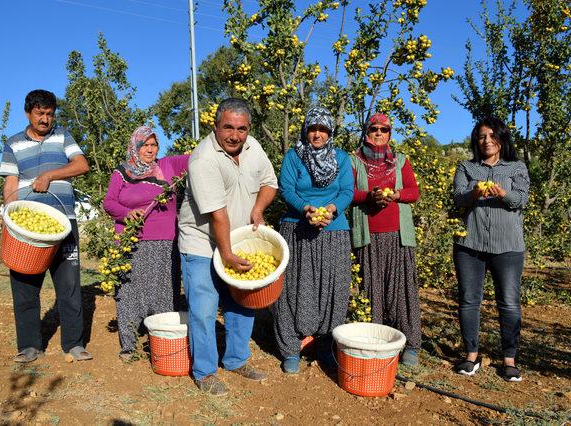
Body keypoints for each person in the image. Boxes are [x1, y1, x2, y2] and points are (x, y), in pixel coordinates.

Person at [178, 98, 278, 396]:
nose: (235, 135)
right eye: (228, 128)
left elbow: (269, 183)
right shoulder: (203, 159)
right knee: (204, 308)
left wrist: (258, 210)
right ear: (216, 125)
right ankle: (205, 372)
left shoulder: (253, 147)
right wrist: (227, 255)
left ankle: (236, 359)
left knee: (242, 303)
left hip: (237, 240)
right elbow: (217, 215)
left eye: (242, 129)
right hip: (202, 243)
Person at [0, 89, 92, 363]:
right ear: (28, 113)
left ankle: (74, 344)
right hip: (28, 227)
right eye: (40, 114)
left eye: (49, 114)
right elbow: (11, 184)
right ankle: (29, 346)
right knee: (24, 284)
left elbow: (81, 164)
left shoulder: (63, 137)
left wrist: (50, 174)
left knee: (69, 284)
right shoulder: (13, 143)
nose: (45, 120)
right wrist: (9, 218)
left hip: (64, 222)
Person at [273, 107, 353, 374]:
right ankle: (290, 349)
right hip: (298, 228)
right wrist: (306, 209)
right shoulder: (293, 157)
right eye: (312, 128)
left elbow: (346, 191)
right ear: (305, 130)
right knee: (293, 289)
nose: (317, 134)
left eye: (323, 129)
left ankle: (325, 347)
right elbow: (287, 189)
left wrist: (330, 209)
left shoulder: (341, 158)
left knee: (333, 290)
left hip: (334, 230)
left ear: (330, 132)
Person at [452, 116, 530, 382]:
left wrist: (502, 194)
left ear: (501, 138)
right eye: (481, 137)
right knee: (469, 300)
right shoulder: (466, 167)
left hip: (507, 246)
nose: (486, 141)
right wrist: (474, 194)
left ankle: (509, 359)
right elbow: (458, 197)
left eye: (491, 135)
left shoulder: (516, 167)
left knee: (508, 303)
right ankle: (471, 355)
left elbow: (521, 199)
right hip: (469, 244)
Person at [103, 126, 189, 361]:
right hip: (131, 241)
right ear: (135, 147)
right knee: (130, 291)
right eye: (145, 146)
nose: (150, 150)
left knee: (163, 291)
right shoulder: (121, 172)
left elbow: (199, 157)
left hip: (164, 241)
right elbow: (109, 202)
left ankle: (160, 342)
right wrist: (126, 213)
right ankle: (129, 345)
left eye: (154, 145)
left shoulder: (168, 166)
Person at [349, 112, 421, 366]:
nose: (379, 133)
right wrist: (370, 197)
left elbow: (414, 192)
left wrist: (397, 194)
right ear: (366, 132)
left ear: (390, 134)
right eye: (374, 129)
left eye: (384, 130)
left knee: (401, 291)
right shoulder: (355, 161)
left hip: (399, 235)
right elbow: (348, 192)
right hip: (368, 235)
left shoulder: (400, 161)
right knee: (372, 290)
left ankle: (410, 344)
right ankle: (377, 343)